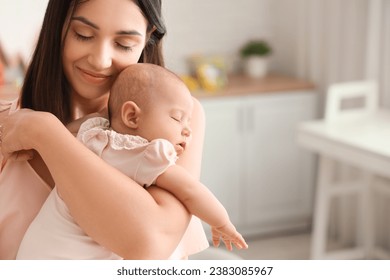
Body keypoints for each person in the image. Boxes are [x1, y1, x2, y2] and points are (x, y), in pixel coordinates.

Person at [0, 0, 210, 260]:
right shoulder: (6, 126)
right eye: (83, 35)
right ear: (57, 28)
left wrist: (44, 131)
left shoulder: (179, 119)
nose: (100, 61)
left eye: (123, 44)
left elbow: (150, 244)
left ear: (148, 38)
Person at [16, 63, 248, 259]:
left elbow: (68, 131)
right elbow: (189, 190)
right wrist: (222, 222)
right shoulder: (142, 154)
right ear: (132, 116)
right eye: (177, 118)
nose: (187, 130)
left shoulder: (93, 135)